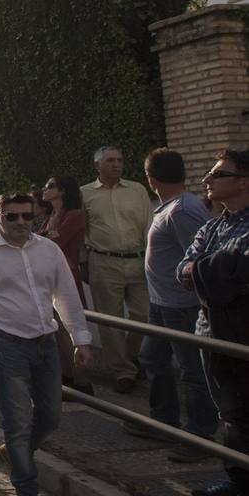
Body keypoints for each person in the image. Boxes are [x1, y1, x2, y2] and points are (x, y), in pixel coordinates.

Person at [0, 192, 94, 496]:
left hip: (45, 341)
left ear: (35, 216)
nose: (21, 223)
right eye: (13, 217)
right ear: (0, 216)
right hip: (6, 343)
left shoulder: (48, 250)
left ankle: (15, 451)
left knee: (50, 416)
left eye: (27, 217)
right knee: (17, 421)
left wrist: (81, 339)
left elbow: (65, 295)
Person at [132, 148, 216, 460]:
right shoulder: (171, 207)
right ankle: (164, 420)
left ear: (150, 178)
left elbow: (199, 258)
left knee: (193, 371)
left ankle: (201, 435)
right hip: (162, 303)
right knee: (152, 358)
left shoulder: (182, 210)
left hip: (182, 306)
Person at [179, 149, 249, 496]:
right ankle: (240, 482)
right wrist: (219, 267)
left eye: (217, 174)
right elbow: (184, 271)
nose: (207, 180)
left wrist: (209, 268)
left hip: (244, 332)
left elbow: (242, 269)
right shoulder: (213, 226)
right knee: (231, 412)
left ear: (243, 181)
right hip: (211, 331)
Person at [82, 146, 154, 393]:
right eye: (110, 161)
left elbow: (147, 225)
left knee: (143, 316)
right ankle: (123, 372)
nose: (116, 165)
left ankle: (131, 357)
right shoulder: (85, 194)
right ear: (98, 165)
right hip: (104, 261)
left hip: (137, 260)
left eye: (120, 160)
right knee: (111, 321)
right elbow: (83, 230)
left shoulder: (137, 190)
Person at [40, 176, 93, 397]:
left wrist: (44, 238)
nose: (45, 189)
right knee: (55, 330)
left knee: (68, 329)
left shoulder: (74, 215)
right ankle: (66, 377)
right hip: (47, 278)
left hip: (66, 278)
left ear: (62, 191)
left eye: (50, 186)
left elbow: (52, 244)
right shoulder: (51, 216)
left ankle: (82, 382)